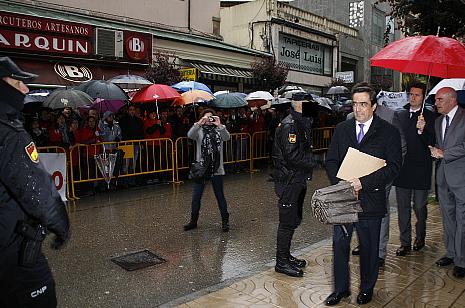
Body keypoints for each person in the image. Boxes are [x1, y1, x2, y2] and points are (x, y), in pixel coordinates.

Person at [0, 56, 70, 307]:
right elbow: (36, 189)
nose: (25, 89)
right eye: (18, 82)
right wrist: (61, 224)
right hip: (12, 250)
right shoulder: (8, 133)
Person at [325, 82, 402, 305]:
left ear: (374, 106)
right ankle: (341, 289)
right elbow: (330, 161)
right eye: (355, 104)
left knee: (368, 249)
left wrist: (362, 183)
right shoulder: (342, 129)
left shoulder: (389, 132)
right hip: (343, 199)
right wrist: (341, 182)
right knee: (340, 246)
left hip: (371, 200)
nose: (358, 109)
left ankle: (367, 288)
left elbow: (393, 167)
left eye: (363, 104)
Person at [347, 97, 406, 268]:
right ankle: (364, 243)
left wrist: (388, 168)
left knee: (381, 211)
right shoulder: (351, 118)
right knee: (358, 208)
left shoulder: (390, 116)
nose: (358, 107)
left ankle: (379, 251)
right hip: (357, 176)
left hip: (381, 175)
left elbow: (401, 145)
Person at [272, 93, 316, 277]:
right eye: (309, 104)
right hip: (289, 180)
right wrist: (314, 161)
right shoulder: (290, 125)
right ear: (299, 105)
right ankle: (281, 262)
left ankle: (286, 255)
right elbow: (293, 156)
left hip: (296, 178)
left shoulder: (300, 122)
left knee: (292, 220)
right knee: (286, 222)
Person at [393, 82, 435, 257]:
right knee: (403, 208)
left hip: (421, 168)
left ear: (423, 97)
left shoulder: (430, 116)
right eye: (411, 94)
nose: (413, 97)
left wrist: (423, 130)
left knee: (419, 206)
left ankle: (420, 236)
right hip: (402, 169)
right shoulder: (400, 114)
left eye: (417, 95)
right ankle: (405, 242)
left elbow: (433, 141)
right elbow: (394, 139)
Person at [429, 87, 465, 278]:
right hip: (443, 177)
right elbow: (439, 145)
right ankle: (451, 253)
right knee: (448, 218)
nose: (436, 103)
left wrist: (445, 153)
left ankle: (462, 260)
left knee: (462, 220)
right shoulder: (437, 121)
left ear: (452, 100)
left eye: (440, 99)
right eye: (435, 100)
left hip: (461, 178)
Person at [183, 109, 231, 232]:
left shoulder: (219, 130)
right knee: (196, 197)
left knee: (220, 196)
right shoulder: (199, 130)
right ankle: (193, 221)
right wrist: (199, 123)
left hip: (216, 169)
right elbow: (190, 135)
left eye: (211, 117)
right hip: (202, 169)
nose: (209, 120)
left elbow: (227, 138)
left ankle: (225, 221)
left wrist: (220, 125)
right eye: (206, 118)